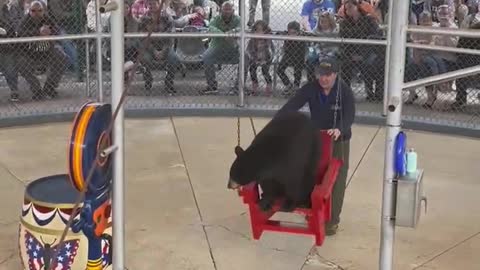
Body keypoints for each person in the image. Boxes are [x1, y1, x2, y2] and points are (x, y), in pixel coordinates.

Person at [276, 58, 355, 236]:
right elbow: (291, 106)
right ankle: (313, 212)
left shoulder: (344, 91)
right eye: (321, 74)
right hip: (317, 138)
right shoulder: (310, 88)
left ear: (335, 74)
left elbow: (350, 115)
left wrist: (339, 129)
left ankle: (331, 221)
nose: (324, 79)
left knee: (336, 180)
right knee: (314, 175)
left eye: (328, 75)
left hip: (338, 140)